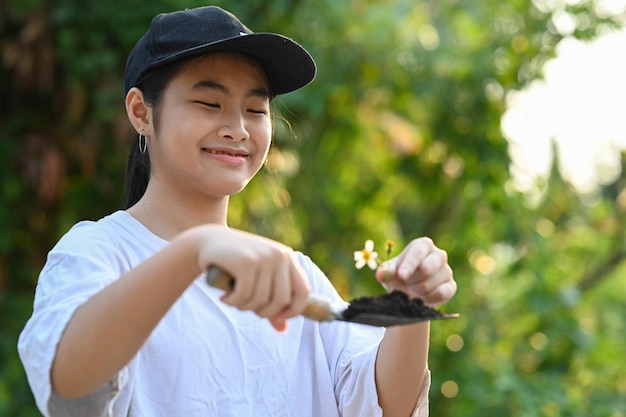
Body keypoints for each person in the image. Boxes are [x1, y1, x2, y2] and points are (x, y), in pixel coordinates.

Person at [18, 5, 457, 417]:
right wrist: (195, 250)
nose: (238, 129)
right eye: (210, 104)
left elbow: (384, 405)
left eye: (255, 109)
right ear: (141, 112)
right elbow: (67, 384)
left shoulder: (295, 275)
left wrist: (410, 305)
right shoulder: (98, 251)